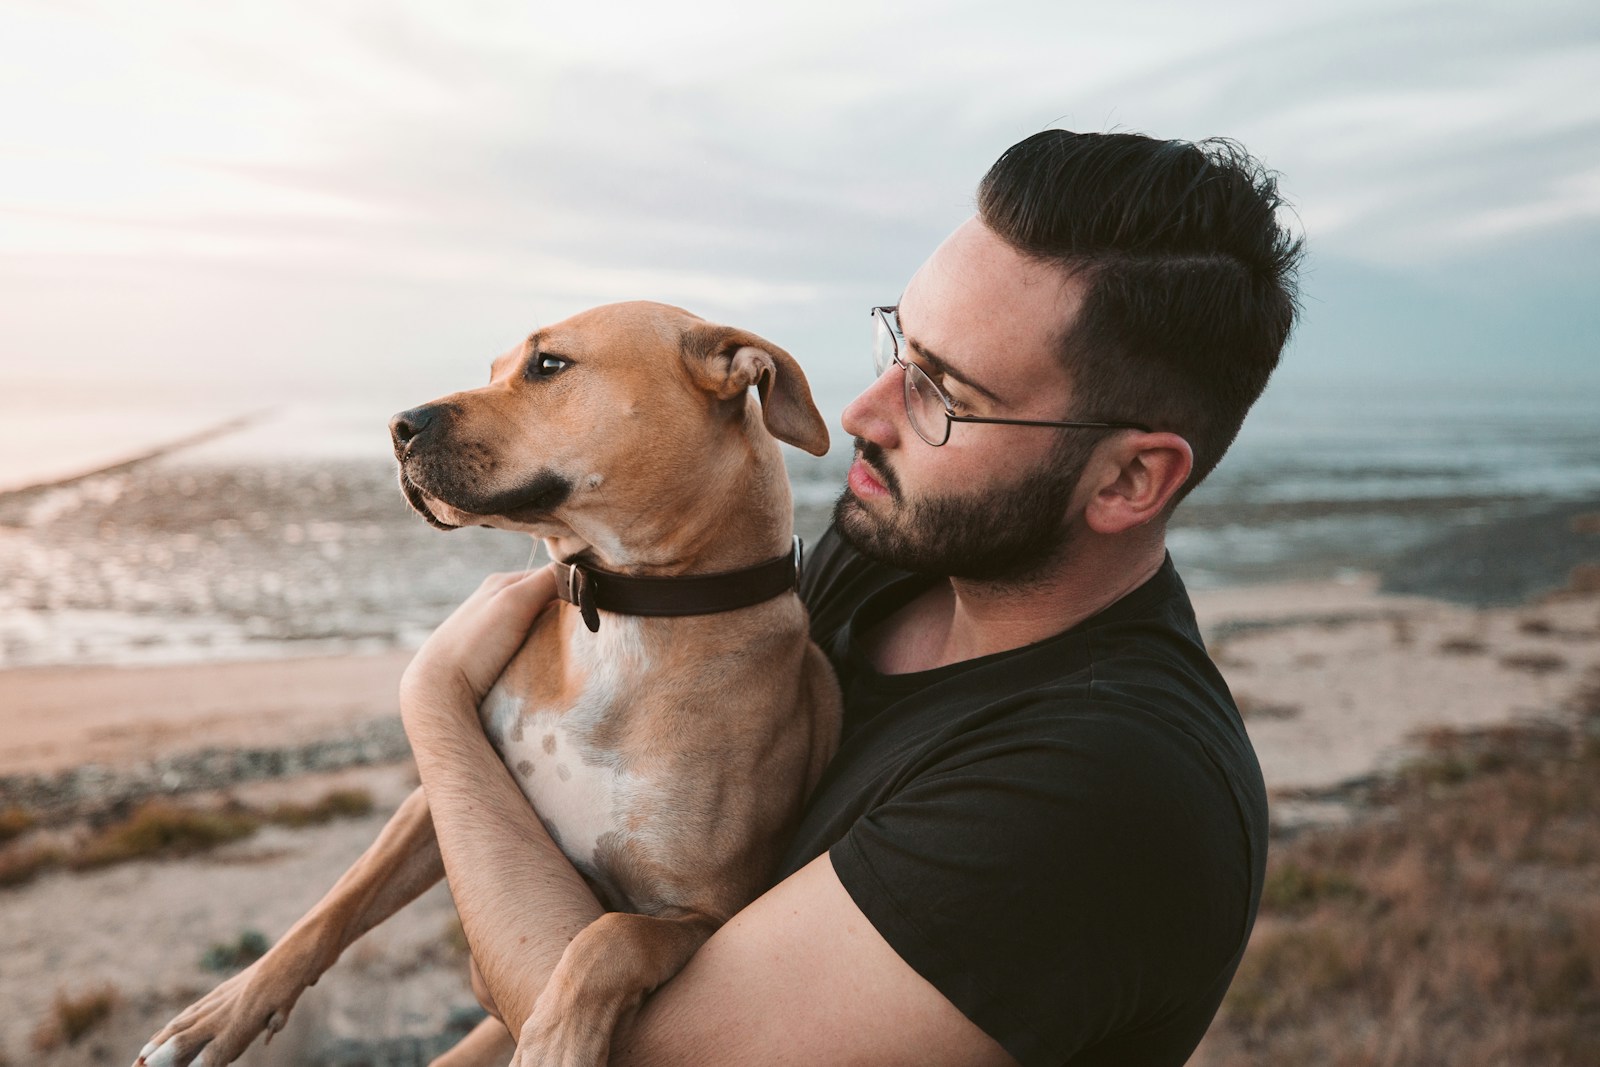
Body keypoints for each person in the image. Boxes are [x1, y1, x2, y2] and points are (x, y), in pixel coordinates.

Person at [400, 129, 1303, 1066]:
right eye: (898, 344)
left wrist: (437, 707)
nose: (864, 412)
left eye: (944, 394)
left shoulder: (1102, 787)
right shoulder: (897, 557)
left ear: (1127, 480)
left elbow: (648, 1056)